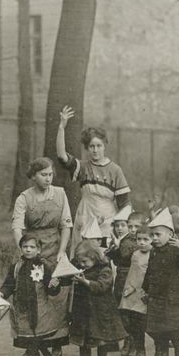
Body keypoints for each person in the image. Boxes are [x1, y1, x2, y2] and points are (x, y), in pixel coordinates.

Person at [11, 156, 74, 356]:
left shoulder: (61, 194)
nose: (48, 178)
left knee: (57, 296)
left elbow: (66, 225)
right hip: (32, 247)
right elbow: (17, 227)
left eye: (50, 174)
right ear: (33, 176)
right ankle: (32, 345)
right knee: (32, 295)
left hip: (55, 248)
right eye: (43, 175)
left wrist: (62, 251)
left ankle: (56, 344)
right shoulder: (24, 198)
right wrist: (26, 250)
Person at [55, 106, 130, 249]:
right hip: (86, 216)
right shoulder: (83, 167)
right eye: (91, 146)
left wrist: (122, 229)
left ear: (104, 145)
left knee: (104, 256)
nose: (95, 150)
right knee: (83, 255)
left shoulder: (115, 170)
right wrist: (61, 127)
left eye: (99, 146)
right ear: (87, 148)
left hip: (108, 220)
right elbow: (61, 156)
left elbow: (125, 204)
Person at [0, 233, 63, 356]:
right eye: (25, 246)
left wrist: (53, 285)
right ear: (21, 248)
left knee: (36, 334)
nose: (28, 250)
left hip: (39, 308)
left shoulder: (43, 266)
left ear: (38, 250)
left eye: (32, 247)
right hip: (22, 307)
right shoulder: (16, 267)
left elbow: (51, 290)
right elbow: (9, 284)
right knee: (30, 334)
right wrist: (2, 293)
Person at [143, 208, 179, 356]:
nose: (155, 239)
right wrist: (146, 289)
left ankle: (178, 355)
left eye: (158, 235)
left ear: (170, 235)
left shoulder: (175, 250)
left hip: (173, 297)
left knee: (173, 329)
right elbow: (150, 272)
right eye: (153, 235)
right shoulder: (154, 252)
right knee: (159, 330)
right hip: (157, 296)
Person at [67, 241, 127, 356]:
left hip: (100, 309)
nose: (82, 265)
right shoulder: (80, 269)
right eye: (79, 262)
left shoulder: (104, 269)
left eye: (84, 262)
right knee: (83, 337)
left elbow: (102, 286)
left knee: (101, 336)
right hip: (83, 309)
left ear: (94, 258)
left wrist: (85, 282)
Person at [104, 206, 139, 356]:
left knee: (128, 310)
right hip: (121, 276)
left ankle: (132, 343)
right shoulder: (120, 240)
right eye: (117, 225)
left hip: (130, 277)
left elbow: (124, 255)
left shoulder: (132, 240)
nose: (120, 228)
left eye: (123, 225)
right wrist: (112, 248)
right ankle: (128, 341)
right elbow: (114, 257)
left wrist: (117, 247)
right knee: (122, 309)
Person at [118, 226, 153, 356]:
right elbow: (132, 273)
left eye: (146, 239)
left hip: (143, 293)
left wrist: (148, 292)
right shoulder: (135, 254)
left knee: (142, 323)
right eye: (139, 239)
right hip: (131, 291)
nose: (142, 242)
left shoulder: (154, 255)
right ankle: (138, 350)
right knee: (128, 320)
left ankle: (147, 352)